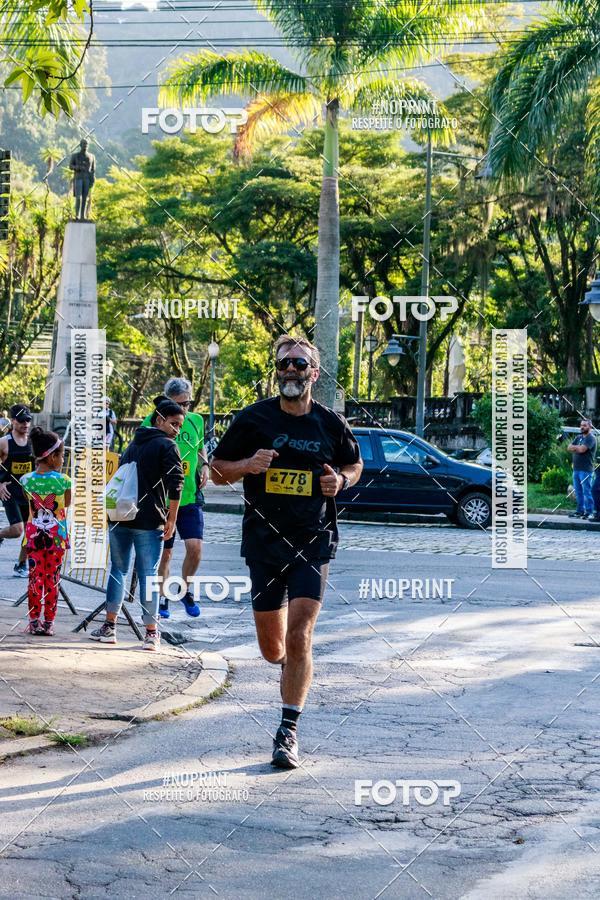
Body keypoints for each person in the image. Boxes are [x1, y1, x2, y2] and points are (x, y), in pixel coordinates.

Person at [211, 335, 363, 769]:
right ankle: (286, 665)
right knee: (272, 648)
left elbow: (354, 464)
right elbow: (217, 472)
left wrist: (343, 482)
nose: (291, 371)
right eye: (284, 364)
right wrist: (247, 466)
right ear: (277, 371)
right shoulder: (253, 419)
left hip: (312, 540)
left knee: (300, 636)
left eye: (299, 364)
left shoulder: (330, 423)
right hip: (263, 542)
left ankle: (288, 729)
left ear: (314, 372)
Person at [90, 396, 184, 651]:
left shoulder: (133, 444)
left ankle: (109, 627)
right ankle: (151, 634)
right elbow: (176, 484)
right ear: (160, 420)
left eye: (179, 426)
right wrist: (172, 518)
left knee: (118, 571)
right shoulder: (167, 446)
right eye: (174, 424)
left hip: (120, 516)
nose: (177, 430)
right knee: (148, 575)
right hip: (150, 518)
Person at [141, 377, 209, 619]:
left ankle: (184, 590)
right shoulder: (152, 421)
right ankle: (161, 597)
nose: (183, 411)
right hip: (163, 499)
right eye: (179, 405)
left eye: (187, 404)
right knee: (165, 553)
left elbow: (200, 448)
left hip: (189, 496)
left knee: (195, 549)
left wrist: (204, 465)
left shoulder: (196, 420)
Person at [20, 426, 71, 636]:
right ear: (51, 457)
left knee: (35, 578)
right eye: (61, 455)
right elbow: (65, 504)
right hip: (56, 538)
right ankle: (49, 622)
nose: (63, 459)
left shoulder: (26, 480)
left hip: (33, 536)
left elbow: (29, 504)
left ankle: (33, 621)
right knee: (52, 579)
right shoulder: (64, 481)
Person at [0, 404, 35, 577]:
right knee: (17, 530)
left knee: (31, 531)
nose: (25, 424)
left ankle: (21, 564)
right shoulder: (4, 442)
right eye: (21, 420)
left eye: (28, 420)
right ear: (13, 421)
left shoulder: (32, 441)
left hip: (28, 492)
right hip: (9, 491)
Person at [568, 419, 597, 519]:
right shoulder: (579, 437)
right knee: (578, 491)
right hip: (576, 469)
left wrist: (575, 448)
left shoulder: (591, 438)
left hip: (586, 470)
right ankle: (580, 511)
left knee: (587, 491)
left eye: (584, 425)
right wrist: (577, 447)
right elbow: (568, 447)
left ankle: (589, 512)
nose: (582, 427)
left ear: (590, 426)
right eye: (581, 425)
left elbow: (582, 450)